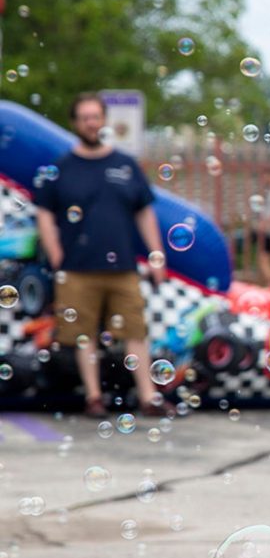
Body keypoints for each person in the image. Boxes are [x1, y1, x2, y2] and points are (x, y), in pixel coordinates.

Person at [33, 93, 167, 418]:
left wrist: (156, 254)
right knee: (83, 336)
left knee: (135, 330)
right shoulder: (62, 169)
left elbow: (144, 213)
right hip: (77, 269)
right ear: (75, 123)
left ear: (104, 119)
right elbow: (45, 214)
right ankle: (94, 398)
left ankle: (149, 398)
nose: (92, 123)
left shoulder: (124, 164)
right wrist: (56, 255)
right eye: (85, 117)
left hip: (123, 266)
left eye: (96, 116)